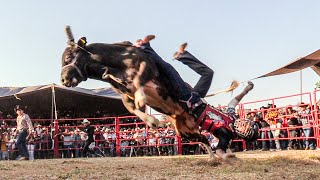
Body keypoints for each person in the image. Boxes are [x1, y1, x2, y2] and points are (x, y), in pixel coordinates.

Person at [135, 37, 205, 112]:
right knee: (208, 73)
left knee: (168, 69)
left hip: (190, 97)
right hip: (190, 97)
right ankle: (182, 55)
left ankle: (181, 55)